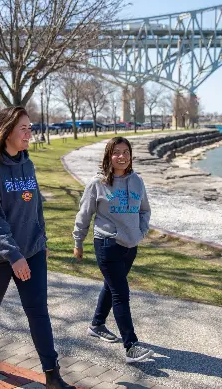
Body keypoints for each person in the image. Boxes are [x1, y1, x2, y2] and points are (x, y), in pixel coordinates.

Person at [0, 107, 75, 389]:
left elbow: (35, 205)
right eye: (24, 129)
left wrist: (42, 240)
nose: (29, 133)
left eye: (30, 127)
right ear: (7, 132)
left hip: (31, 249)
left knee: (38, 310)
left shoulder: (27, 162)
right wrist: (14, 256)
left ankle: (52, 374)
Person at [72, 137, 154, 364]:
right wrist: (78, 241)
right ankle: (131, 346)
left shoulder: (137, 181)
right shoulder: (97, 183)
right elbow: (84, 214)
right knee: (120, 293)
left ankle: (97, 324)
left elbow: (145, 210)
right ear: (109, 156)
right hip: (107, 244)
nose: (122, 156)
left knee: (111, 286)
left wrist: (141, 232)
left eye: (126, 152)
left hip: (131, 246)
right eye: (116, 152)